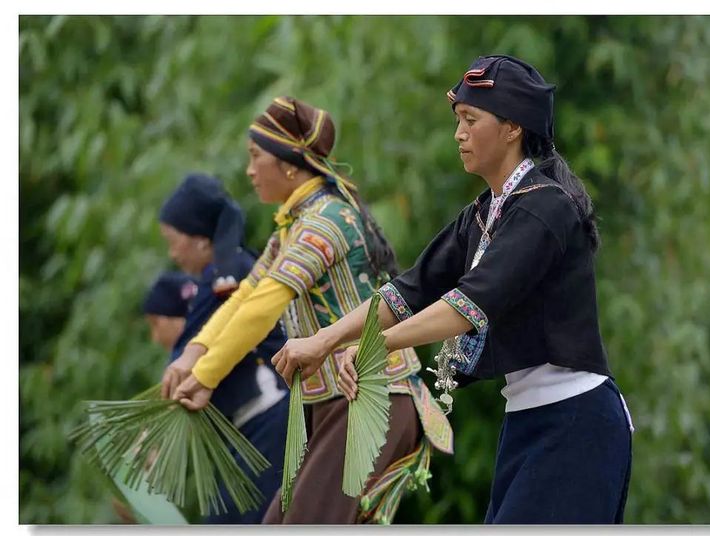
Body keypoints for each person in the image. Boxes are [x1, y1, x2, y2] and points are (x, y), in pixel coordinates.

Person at [271, 55, 634, 524]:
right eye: (457, 121)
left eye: (470, 120)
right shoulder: (484, 214)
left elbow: (466, 308)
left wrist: (368, 348)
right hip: (528, 419)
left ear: (512, 129)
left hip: (576, 423)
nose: (459, 134)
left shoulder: (546, 210)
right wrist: (323, 342)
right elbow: (406, 293)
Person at [163, 96, 453, 524]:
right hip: (333, 404)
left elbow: (263, 307)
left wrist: (206, 376)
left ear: (289, 164)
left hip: (372, 397)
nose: (248, 170)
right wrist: (193, 355)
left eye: (255, 157)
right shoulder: (293, 225)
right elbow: (246, 295)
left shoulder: (325, 221)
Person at [157, 173, 289, 524]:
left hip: (271, 416)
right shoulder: (228, 271)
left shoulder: (227, 276)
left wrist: (151, 439)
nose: (171, 253)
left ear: (202, 241)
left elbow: (187, 359)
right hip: (252, 426)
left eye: (173, 241)